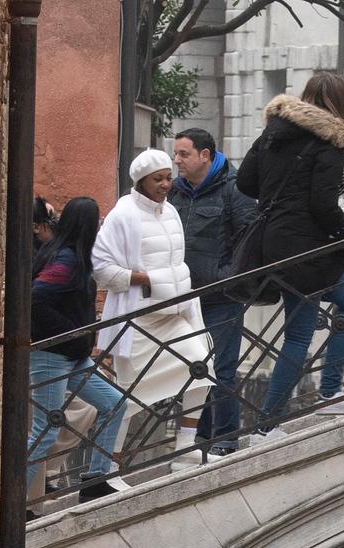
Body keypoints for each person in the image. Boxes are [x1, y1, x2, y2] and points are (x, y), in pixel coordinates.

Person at [239, 74, 344, 430]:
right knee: (328, 316)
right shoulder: (332, 140)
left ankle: (321, 397)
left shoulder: (275, 129)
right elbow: (322, 202)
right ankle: (271, 422)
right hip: (306, 249)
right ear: (342, 104)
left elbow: (245, 182)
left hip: (273, 243)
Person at [93, 147, 212, 459]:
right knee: (129, 396)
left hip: (174, 316)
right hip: (138, 321)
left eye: (168, 178)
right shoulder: (123, 214)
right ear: (141, 181)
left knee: (202, 366)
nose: (165, 184)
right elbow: (101, 269)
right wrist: (144, 279)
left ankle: (187, 447)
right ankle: (107, 466)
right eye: (157, 179)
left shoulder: (171, 211)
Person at [28, 196, 128, 501]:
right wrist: (72, 330)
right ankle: (10, 503)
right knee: (44, 430)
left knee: (114, 403)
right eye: (96, 220)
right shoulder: (67, 259)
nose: (99, 226)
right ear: (87, 225)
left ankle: (96, 479)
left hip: (72, 357)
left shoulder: (70, 255)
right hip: (52, 356)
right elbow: (35, 297)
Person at [169, 127, 257, 449]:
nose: (176, 160)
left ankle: (226, 438)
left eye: (184, 154)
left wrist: (225, 276)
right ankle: (200, 439)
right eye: (176, 153)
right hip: (184, 298)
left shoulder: (234, 189)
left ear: (205, 156)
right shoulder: (177, 191)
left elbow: (249, 241)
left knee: (223, 371)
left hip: (222, 296)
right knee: (195, 369)